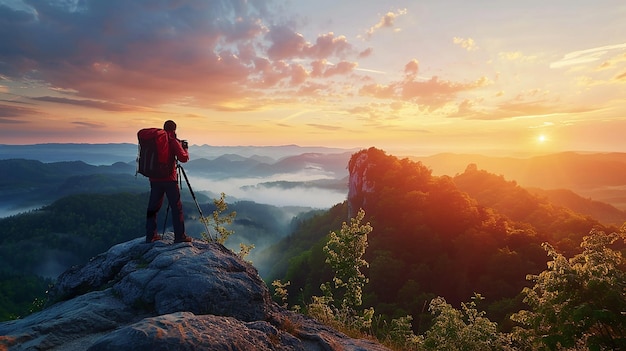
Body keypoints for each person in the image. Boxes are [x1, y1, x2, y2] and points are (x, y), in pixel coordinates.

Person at [145, 120, 192, 244]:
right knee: (176, 208)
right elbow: (184, 158)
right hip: (169, 180)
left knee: (152, 208)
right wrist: (185, 149)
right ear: (174, 130)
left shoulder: (155, 141)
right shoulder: (172, 141)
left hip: (154, 179)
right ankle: (180, 237)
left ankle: (151, 236)